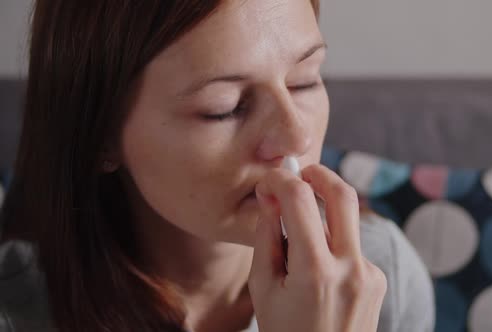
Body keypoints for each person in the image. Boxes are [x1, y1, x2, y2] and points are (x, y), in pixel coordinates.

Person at [0, 0, 434, 331]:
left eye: (305, 80)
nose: (296, 138)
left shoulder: (377, 275)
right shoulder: (17, 308)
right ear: (97, 137)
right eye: (223, 108)